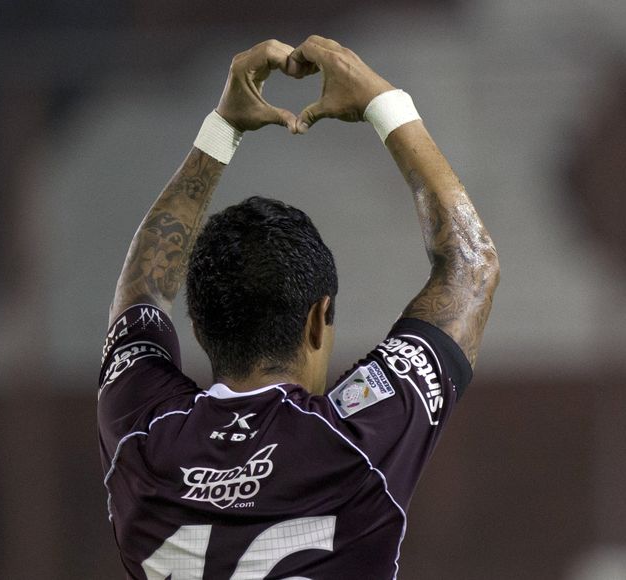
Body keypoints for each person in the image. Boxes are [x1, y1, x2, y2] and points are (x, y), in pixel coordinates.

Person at [98, 35, 499, 579]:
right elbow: (471, 267)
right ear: (317, 320)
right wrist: (384, 103)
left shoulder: (140, 432)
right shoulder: (354, 441)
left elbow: (143, 291)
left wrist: (222, 129)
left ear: (198, 325)